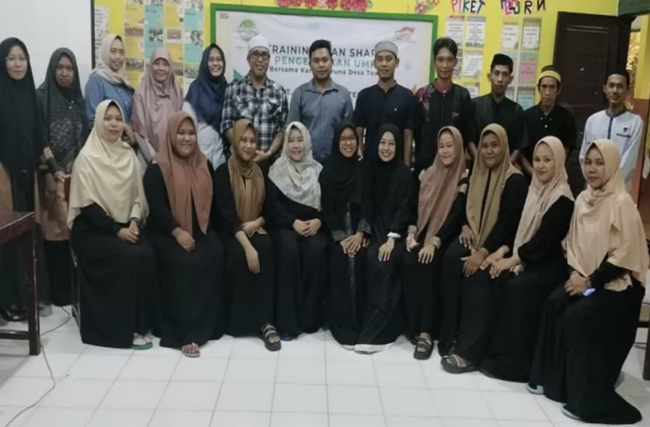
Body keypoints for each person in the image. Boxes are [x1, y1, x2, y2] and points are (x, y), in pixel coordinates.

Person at [528, 139, 647, 424]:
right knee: (554, 302)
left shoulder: (621, 203)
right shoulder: (583, 199)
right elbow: (572, 244)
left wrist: (590, 282)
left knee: (580, 315)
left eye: (599, 163)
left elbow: (624, 256)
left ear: (612, 166)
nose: (592, 169)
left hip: (616, 284)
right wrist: (575, 274)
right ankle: (554, 384)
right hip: (582, 276)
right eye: (588, 163)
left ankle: (586, 398)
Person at [480, 137, 574, 382]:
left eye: (547, 160)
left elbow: (543, 241)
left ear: (559, 162)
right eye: (537, 160)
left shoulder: (562, 197)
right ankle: (494, 352)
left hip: (551, 265)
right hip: (530, 258)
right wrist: (503, 252)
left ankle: (516, 365)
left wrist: (511, 261)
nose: (540, 165)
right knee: (497, 279)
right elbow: (520, 231)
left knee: (518, 288)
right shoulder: (535, 189)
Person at [438, 124, 528, 373]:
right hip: (473, 235)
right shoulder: (475, 173)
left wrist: (483, 253)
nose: (488, 151)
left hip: (501, 246)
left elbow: (508, 224)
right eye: (484, 146)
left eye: (494, 146)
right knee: (451, 259)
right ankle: (450, 336)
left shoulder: (514, 180)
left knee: (477, 276)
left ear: (504, 147)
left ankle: (469, 350)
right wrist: (465, 226)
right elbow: (465, 208)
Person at [68, 100, 156, 350]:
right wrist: (117, 231)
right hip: (93, 229)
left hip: (126, 224)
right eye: (108, 118)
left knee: (147, 252)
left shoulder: (128, 155)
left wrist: (135, 221)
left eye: (118, 119)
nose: (114, 124)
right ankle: (118, 330)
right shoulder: (86, 158)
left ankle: (140, 323)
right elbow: (88, 206)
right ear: (98, 121)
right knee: (127, 256)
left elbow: (138, 196)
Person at [144, 111, 223, 358]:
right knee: (183, 261)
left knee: (215, 250)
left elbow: (212, 205)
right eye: (181, 133)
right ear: (171, 135)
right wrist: (177, 231)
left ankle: (207, 326)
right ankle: (183, 332)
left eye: (191, 133)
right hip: (165, 233)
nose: (187, 138)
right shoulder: (157, 168)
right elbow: (158, 209)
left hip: (199, 230)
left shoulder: (204, 164)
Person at [0, 38, 64, 324]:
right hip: (4, 179)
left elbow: (39, 138)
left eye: (22, 58)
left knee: (27, 239)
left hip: (28, 180)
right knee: (7, 240)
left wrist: (54, 167)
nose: (18, 64)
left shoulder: (29, 95)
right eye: (12, 58)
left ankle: (26, 297)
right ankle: (7, 300)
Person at [213, 119, 281, 351]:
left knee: (267, 247)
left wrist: (256, 223)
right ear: (235, 141)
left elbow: (270, 209)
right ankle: (238, 322)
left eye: (253, 141)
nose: (249, 145)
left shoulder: (261, 171)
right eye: (244, 140)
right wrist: (247, 245)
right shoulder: (223, 172)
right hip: (230, 231)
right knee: (236, 253)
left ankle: (265, 322)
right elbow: (227, 215)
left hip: (254, 225)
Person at [402, 126, 467, 360]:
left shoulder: (463, 178)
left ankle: (427, 332)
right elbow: (413, 205)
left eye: (450, 146)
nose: (445, 150)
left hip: (446, 239)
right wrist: (411, 232)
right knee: (407, 260)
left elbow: (456, 217)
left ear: (458, 148)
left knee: (427, 263)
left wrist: (434, 242)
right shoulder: (427, 173)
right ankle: (412, 325)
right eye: (442, 146)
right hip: (422, 233)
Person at [36, 48, 89, 309]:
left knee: (73, 232)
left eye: (69, 69)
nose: (65, 73)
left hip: (76, 177)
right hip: (50, 177)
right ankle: (58, 295)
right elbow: (38, 138)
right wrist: (49, 172)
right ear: (53, 69)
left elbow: (85, 138)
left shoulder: (77, 100)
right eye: (60, 68)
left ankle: (74, 292)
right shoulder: (41, 98)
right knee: (54, 234)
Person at [355, 124, 412, 354]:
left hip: (396, 233)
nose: (385, 148)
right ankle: (366, 324)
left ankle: (382, 332)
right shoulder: (370, 168)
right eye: (382, 142)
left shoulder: (404, 173)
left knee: (383, 263)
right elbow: (366, 204)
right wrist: (364, 232)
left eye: (391, 144)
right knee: (366, 257)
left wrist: (391, 238)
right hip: (375, 229)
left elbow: (406, 208)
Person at [267, 122, 326, 339]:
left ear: (307, 142)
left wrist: (319, 221)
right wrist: (292, 222)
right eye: (291, 141)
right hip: (285, 226)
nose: (295, 145)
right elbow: (272, 207)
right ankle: (288, 323)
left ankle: (310, 320)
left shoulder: (318, 170)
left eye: (300, 140)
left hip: (312, 226)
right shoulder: (277, 169)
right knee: (289, 249)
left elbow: (329, 205)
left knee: (316, 249)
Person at [319, 123, 372, 348]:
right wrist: (341, 237)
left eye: (352, 139)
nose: (348, 143)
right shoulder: (328, 170)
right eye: (344, 139)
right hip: (335, 231)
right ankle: (341, 321)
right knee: (340, 258)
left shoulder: (363, 168)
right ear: (337, 142)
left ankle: (361, 321)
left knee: (362, 257)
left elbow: (369, 203)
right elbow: (327, 208)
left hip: (360, 231)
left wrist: (360, 233)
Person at [221, 36, 288, 170]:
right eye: (255, 54)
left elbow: (281, 130)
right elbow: (227, 125)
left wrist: (268, 154)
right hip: (239, 164)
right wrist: (243, 150)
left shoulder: (279, 92)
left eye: (264, 55)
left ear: (269, 60)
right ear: (248, 59)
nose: (260, 59)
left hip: (269, 166)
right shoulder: (234, 88)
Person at [288, 40, 353, 164]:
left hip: (336, 164)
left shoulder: (343, 95)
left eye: (325, 60)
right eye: (316, 61)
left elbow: (349, 135)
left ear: (332, 62)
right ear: (310, 64)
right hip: (305, 164)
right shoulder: (299, 94)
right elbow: (291, 132)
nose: (321, 65)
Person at [414, 37, 473, 174]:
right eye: (440, 60)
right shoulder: (422, 96)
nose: (445, 65)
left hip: (454, 171)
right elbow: (415, 134)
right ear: (434, 62)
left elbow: (467, 135)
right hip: (426, 171)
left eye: (449, 60)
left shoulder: (463, 96)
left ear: (455, 62)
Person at [579, 69, 644, 191]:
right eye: (611, 85)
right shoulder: (593, 120)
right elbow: (584, 155)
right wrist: (592, 179)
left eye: (620, 86)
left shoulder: (635, 122)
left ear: (627, 91)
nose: (615, 90)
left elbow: (629, 160)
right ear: (605, 89)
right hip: (593, 187)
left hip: (619, 188)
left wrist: (609, 184)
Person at [355, 41, 416, 165]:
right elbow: (358, 133)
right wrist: (359, 163)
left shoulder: (407, 96)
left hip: (397, 168)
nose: (384, 64)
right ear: (374, 63)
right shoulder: (364, 96)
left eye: (388, 59)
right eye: (380, 59)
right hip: (369, 166)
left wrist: (406, 167)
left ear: (396, 63)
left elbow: (408, 136)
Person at [520, 67, 577, 179]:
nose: (547, 92)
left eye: (552, 87)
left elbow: (567, 148)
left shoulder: (566, 117)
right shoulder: (527, 116)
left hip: (556, 177)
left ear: (558, 90)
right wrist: (533, 173)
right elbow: (521, 151)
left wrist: (554, 172)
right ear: (539, 88)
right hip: (530, 178)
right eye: (544, 86)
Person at [472, 54, 527, 167]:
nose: (500, 79)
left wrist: (505, 168)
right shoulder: (475, 105)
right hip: (479, 169)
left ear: (510, 79)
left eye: (505, 75)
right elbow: (469, 141)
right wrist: (481, 164)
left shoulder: (517, 111)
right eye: (496, 73)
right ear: (489, 76)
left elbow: (518, 147)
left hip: (506, 171)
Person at [132, 48, 182, 168]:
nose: (161, 68)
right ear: (150, 66)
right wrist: (156, 160)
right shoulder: (141, 94)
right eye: (157, 63)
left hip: (174, 159)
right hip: (148, 160)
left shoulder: (177, 93)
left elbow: (180, 128)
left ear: (170, 68)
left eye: (165, 64)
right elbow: (140, 133)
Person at [84, 35, 136, 145]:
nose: (118, 57)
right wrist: (122, 128)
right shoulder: (96, 81)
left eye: (121, 52)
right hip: (105, 146)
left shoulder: (124, 83)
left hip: (125, 146)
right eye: (113, 51)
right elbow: (92, 120)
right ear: (105, 53)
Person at [184, 44, 228, 168]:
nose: (215, 63)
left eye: (219, 59)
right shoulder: (195, 89)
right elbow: (187, 127)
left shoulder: (226, 88)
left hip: (220, 160)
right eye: (211, 60)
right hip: (198, 160)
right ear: (205, 63)